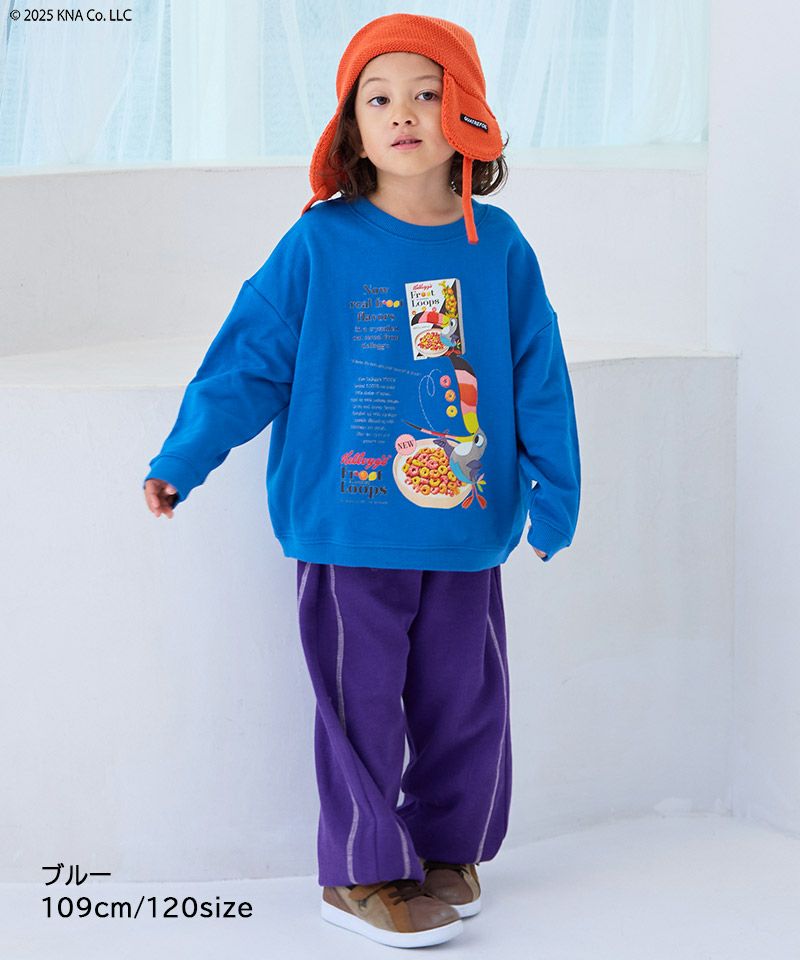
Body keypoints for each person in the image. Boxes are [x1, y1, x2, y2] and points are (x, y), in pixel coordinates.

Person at [143, 12, 581, 950]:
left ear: (465, 113)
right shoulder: (319, 244)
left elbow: (538, 374)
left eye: (426, 93)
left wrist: (556, 493)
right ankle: (361, 870)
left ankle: (448, 848)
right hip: (347, 527)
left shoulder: (498, 246)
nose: (403, 113)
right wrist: (183, 458)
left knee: (467, 700)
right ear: (351, 123)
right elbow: (249, 361)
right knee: (359, 704)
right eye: (378, 98)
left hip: (465, 523)